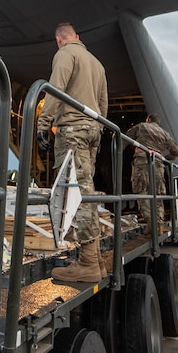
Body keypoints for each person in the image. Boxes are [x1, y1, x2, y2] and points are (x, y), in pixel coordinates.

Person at [36, 22, 108, 283]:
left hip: (72, 130)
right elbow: (102, 105)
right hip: (92, 131)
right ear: (78, 37)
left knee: (76, 189)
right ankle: (96, 259)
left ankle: (88, 262)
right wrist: (95, 130)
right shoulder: (97, 64)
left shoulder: (65, 54)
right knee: (87, 188)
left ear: (59, 40)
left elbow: (56, 89)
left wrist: (44, 122)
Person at [126, 113, 178, 231]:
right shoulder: (165, 134)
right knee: (157, 195)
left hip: (142, 162)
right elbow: (176, 151)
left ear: (148, 120)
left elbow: (125, 138)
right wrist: (166, 157)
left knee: (142, 192)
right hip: (158, 164)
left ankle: (151, 225)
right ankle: (159, 225)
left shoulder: (141, 126)